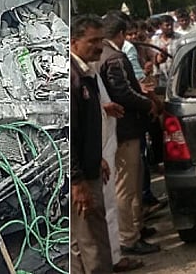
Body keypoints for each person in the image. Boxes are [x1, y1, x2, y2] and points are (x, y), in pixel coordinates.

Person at [99, 14, 159, 256]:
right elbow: (123, 93)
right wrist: (148, 104)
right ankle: (129, 237)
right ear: (121, 34)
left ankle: (136, 228)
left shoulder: (104, 55)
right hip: (124, 131)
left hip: (123, 130)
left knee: (132, 183)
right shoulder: (113, 57)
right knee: (126, 187)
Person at [70, 14, 114, 274]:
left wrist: (96, 157)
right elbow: (69, 135)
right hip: (81, 180)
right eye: (93, 41)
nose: (99, 47)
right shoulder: (72, 78)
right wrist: (77, 181)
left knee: (84, 243)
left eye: (101, 40)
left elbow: (85, 130)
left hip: (88, 171)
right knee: (92, 243)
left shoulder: (87, 73)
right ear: (74, 42)